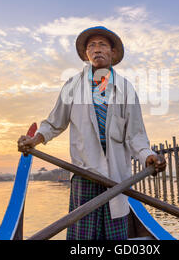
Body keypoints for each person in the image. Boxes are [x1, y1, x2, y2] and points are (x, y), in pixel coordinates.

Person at [17, 26, 166, 240]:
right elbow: (53, 123)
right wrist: (35, 140)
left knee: (115, 237)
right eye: (91, 46)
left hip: (116, 178)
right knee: (83, 239)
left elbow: (136, 136)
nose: (97, 49)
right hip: (84, 174)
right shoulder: (73, 85)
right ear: (86, 55)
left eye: (102, 45)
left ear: (113, 53)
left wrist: (148, 156)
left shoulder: (125, 89)